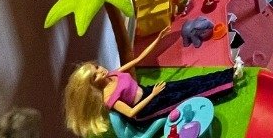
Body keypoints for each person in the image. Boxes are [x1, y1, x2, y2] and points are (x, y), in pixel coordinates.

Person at [63, 28, 237, 137]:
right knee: (188, 94)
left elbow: (138, 58)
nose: (100, 70)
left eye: (96, 67)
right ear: (91, 86)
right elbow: (131, 112)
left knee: (189, 83)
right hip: (147, 110)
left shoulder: (113, 74)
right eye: (95, 76)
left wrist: (158, 38)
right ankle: (228, 83)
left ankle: (228, 73)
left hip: (149, 92)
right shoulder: (108, 97)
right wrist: (153, 95)